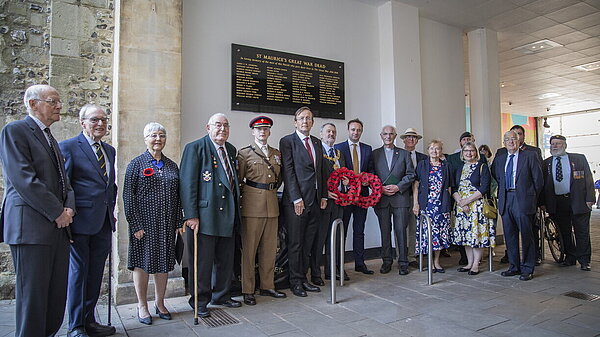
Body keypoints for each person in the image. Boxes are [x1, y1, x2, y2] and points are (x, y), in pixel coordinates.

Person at [0, 84, 75, 337]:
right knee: (33, 298)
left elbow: (65, 182)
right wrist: (58, 212)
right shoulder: (16, 131)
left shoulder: (50, 137)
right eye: (53, 101)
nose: (59, 106)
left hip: (58, 228)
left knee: (54, 298)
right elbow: (24, 180)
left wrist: (69, 209)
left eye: (59, 101)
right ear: (33, 104)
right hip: (31, 228)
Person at [59, 105, 117, 337]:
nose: (100, 124)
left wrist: (111, 210)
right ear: (82, 122)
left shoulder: (109, 150)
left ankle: (90, 320)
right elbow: (65, 185)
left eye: (103, 120)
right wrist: (68, 214)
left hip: (103, 222)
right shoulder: (69, 147)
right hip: (80, 222)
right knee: (78, 273)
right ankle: (76, 325)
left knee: (95, 273)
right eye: (95, 120)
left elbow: (108, 185)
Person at [180, 113, 242, 317]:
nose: (222, 129)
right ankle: (200, 300)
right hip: (204, 216)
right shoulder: (196, 147)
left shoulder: (230, 149)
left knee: (225, 260)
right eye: (218, 125)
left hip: (227, 214)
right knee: (202, 262)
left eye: (226, 125)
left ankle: (221, 295)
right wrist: (190, 215)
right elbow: (187, 184)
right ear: (208, 127)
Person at [123, 122, 183, 324]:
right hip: (144, 226)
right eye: (153, 135)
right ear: (145, 138)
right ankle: (142, 305)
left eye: (162, 135)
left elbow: (178, 196)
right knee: (142, 263)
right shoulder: (136, 164)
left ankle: (160, 302)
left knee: (163, 263)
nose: (158, 139)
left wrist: (177, 222)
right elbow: (128, 197)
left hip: (166, 224)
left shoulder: (172, 165)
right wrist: (135, 225)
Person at [237, 116, 286, 305]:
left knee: (269, 249)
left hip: (272, 205)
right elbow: (240, 181)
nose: (262, 132)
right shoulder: (244, 154)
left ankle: (267, 286)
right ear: (253, 132)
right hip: (251, 206)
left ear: (269, 132)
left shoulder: (276, 153)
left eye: (265, 129)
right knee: (249, 250)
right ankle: (248, 289)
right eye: (259, 129)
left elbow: (278, 179)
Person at [279, 106, 328, 297]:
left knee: (308, 244)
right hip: (297, 202)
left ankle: (304, 279)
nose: (305, 121)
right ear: (295, 122)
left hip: (315, 201)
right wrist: (296, 198)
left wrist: (323, 195)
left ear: (313, 122)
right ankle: (295, 282)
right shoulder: (287, 141)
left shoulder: (316, 142)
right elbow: (288, 171)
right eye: (301, 118)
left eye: (309, 118)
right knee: (296, 243)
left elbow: (321, 171)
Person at [491, 130, 543, 281]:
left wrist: (531, 197)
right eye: (507, 140)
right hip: (506, 198)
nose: (511, 142)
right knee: (510, 235)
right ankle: (514, 266)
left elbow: (538, 180)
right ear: (504, 142)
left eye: (514, 139)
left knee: (527, 234)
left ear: (519, 140)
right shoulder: (500, 158)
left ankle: (527, 268)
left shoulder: (530, 156)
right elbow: (496, 175)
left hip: (523, 199)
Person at [540, 135, 595, 271]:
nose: (555, 146)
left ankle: (584, 260)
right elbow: (542, 185)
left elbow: (588, 178)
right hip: (558, 202)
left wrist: (590, 199)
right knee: (564, 232)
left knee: (581, 232)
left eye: (558, 144)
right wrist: (542, 203)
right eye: (552, 144)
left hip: (578, 201)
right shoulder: (546, 163)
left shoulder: (578, 159)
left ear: (565, 145)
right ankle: (570, 257)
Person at [372, 125, 416, 275]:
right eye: (385, 134)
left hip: (400, 198)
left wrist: (398, 187)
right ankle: (386, 261)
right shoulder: (375, 154)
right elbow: (371, 175)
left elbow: (411, 174)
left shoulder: (404, 154)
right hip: (382, 199)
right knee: (385, 231)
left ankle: (403, 262)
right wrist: (380, 188)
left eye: (391, 134)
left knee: (400, 231)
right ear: (381, 135)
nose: (388, 136)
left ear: (395, 136)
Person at [335, 118, 375, 274]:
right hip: (345, 196)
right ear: (348, 130)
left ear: (361, 131)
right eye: (353, 129)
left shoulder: (367, 149)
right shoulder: (339, 148)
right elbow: (335, 172)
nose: (355, 132)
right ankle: (339, 266)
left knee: (359, 230)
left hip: (362, 196)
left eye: (358, 130)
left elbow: (371, 170)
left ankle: (360, 263)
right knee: (342, 231)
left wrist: (367, 180)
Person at [451, 142, 493, 276]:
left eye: (472, 151)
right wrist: (461, 202)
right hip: (462, 207)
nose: (469, 153)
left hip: (476, 206)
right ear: (462, 154)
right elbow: (454, 188)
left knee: (476, 237)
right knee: (466, 236)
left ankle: (476, 264)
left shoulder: (482, 167)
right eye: (466, 151)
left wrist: (468, 201)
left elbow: (484, 188)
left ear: (476, 153)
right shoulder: (460, 168)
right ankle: (469, 263)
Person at [412, 140, 452, 273]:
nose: (435, 151)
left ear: (441, 151)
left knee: (439, 234)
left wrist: (448, 204)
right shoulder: (422, 165)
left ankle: (436, 261)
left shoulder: (446, 166)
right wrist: (416, 203)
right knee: (427, 234)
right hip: (426, 205)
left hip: (441, 205)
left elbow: (450, 187)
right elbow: (416, 185)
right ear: (428, 150)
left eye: (438, 149)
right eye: (432, 148)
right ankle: (428, 261)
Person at [317, 123, 349, 282]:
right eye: (328, 131)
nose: (331, 134)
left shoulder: (339, 153)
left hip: (339, 201)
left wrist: (345, 182)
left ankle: (333, 270)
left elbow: (343, 175)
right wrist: (325, 193)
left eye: (334, 131)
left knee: (335, 237)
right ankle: (316, 273)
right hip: (324, 202)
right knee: (321, 238)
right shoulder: (317, 151)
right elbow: (316, 177)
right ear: (321, 134)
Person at [400, 127, 427, 268]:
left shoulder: (424, 158)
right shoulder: (397, 155)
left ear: (417, 140)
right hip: (401, 196)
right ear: (404, 140)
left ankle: (411, 256)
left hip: (417, 198)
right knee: (400, 227)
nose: (411, 139)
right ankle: (401, 257)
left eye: (413, 137)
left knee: (414, 228)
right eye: (408, 137)